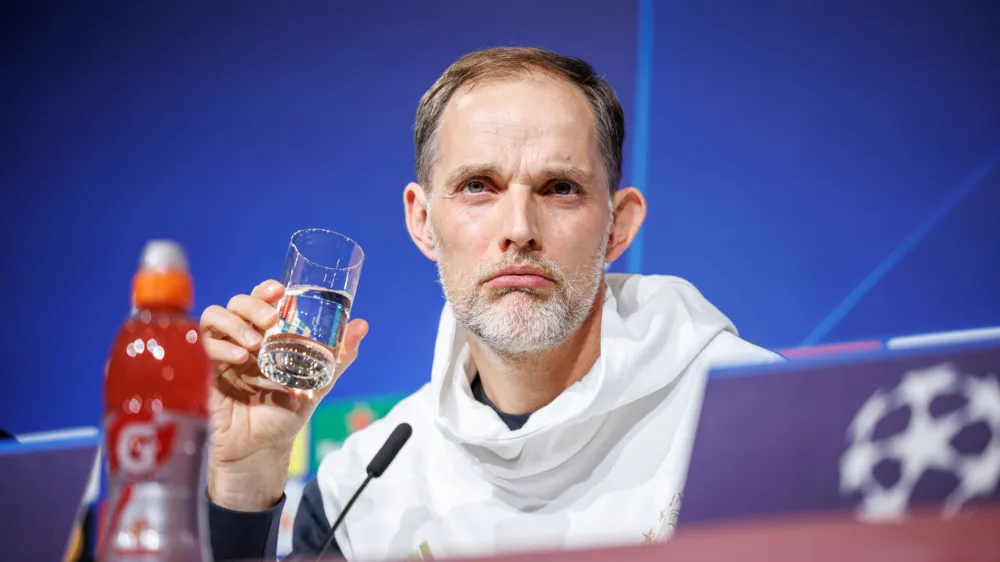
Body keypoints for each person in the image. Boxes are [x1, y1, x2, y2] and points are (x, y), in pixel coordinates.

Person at [202, 46, 781, 561]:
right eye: (479, 186)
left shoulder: (765, 415)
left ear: (617, 226)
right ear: (422, 221)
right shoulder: (363, 489)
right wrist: (245, 482)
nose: (519, 229)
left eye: (560, 188)